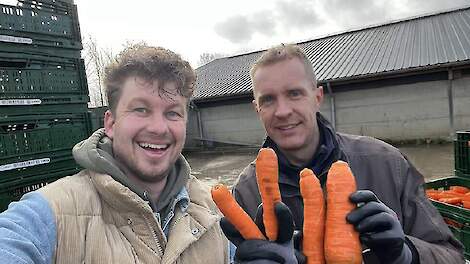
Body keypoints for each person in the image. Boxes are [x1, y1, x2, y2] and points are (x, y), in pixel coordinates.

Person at [227, 44, 465, 263]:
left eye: (294, 93)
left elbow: (452, 255)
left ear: (317, 97)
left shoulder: (387, 163)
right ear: (257, 109)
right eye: (268, 100)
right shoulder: (246, 192)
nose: (282, 111)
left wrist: (407, 254)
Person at [0, 45, 229, 263]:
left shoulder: (215, 212)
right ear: (110, 123)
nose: (159, 128)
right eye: (141, 109)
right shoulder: (50, 213)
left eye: (173, 113)